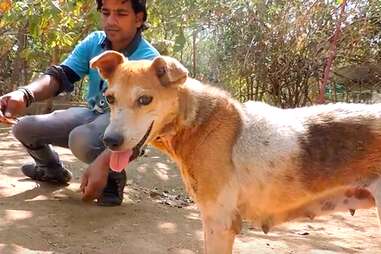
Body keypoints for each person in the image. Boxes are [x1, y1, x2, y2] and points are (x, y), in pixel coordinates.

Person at [0, 0, 159, 206]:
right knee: (24, 127)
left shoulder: (149, 61)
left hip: (127, 123)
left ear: (139, 19)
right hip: (94, 113)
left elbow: (152, 123)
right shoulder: (94, 42)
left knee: (81, 140)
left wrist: (103, 164)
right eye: (106, 12)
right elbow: (62, 75)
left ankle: (112, 177)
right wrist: (25, 94)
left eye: (120, 13)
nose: (110, 21)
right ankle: (51, 169)